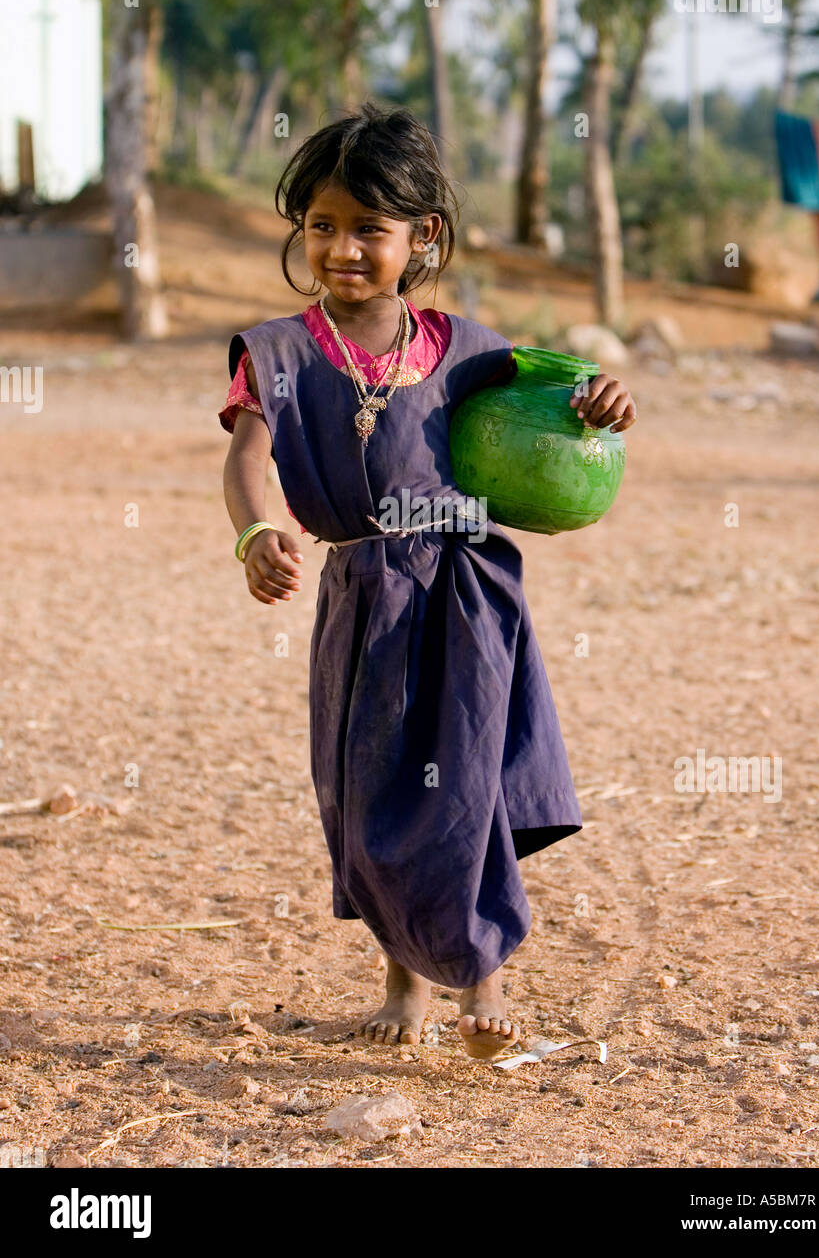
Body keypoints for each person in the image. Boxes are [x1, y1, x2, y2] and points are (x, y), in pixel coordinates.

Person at [220, 102, 636, 1059]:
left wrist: (603, 404)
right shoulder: (278, 353)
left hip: (468, 592)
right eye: (323, 226)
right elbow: (248, 458)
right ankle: (402, 978)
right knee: (368, 794)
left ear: (423, 238)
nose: (343, 248)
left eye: (370, 228)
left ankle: (481, 981)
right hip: (364, 597)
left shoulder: (472, 349)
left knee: (472, 784)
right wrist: (256, 533)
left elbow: (569, 402)